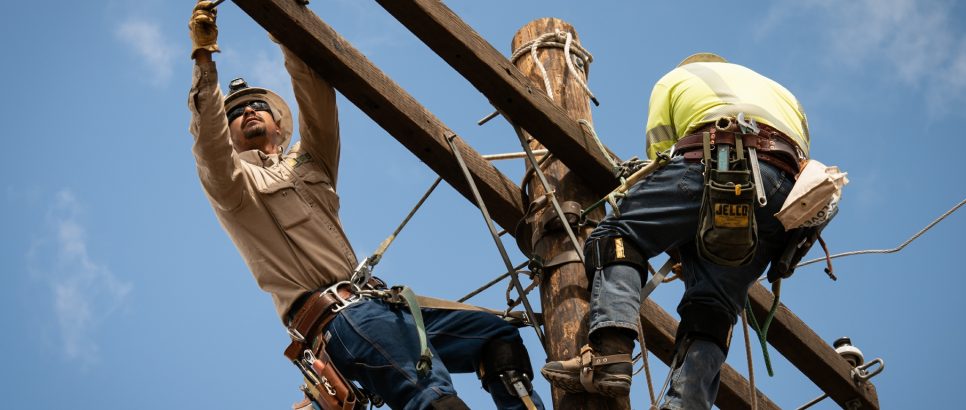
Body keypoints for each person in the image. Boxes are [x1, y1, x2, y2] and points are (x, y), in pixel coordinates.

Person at [186, 2, 545, 409]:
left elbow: (316, 96)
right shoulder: (234, 188)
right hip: (343, 320)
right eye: (235, 112)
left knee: (495, 337)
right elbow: (209, 144)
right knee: (434, 397)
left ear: (279, 126)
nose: (248, 109)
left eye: (258, 106)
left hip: (381, 307)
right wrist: (203, 57)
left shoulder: (308, 162)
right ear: (230, 134)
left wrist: (286, 25)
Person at [540, 52, 811, 410]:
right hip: (786, 197)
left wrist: (678, 231)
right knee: (715, 306)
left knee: (617, 235)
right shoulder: (783, 94)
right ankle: (687, 404)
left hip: (714, 159)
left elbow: (663, 156)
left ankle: (610, 356)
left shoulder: (676, 79)